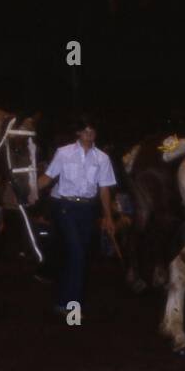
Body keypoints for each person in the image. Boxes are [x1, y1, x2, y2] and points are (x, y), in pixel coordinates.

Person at [39, 116, 117, 314]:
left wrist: (108, 217)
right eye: (85, 129)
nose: (89, 133)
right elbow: (48, 177)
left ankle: (60, 299)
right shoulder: (63, 153)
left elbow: (105, 188)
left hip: (87, 210)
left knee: (76, 256)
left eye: (92, 129)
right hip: (65, 207)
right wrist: (29, 190)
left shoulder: (102, 158)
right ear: (78, 133)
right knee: (77, 254)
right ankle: (73, 306)